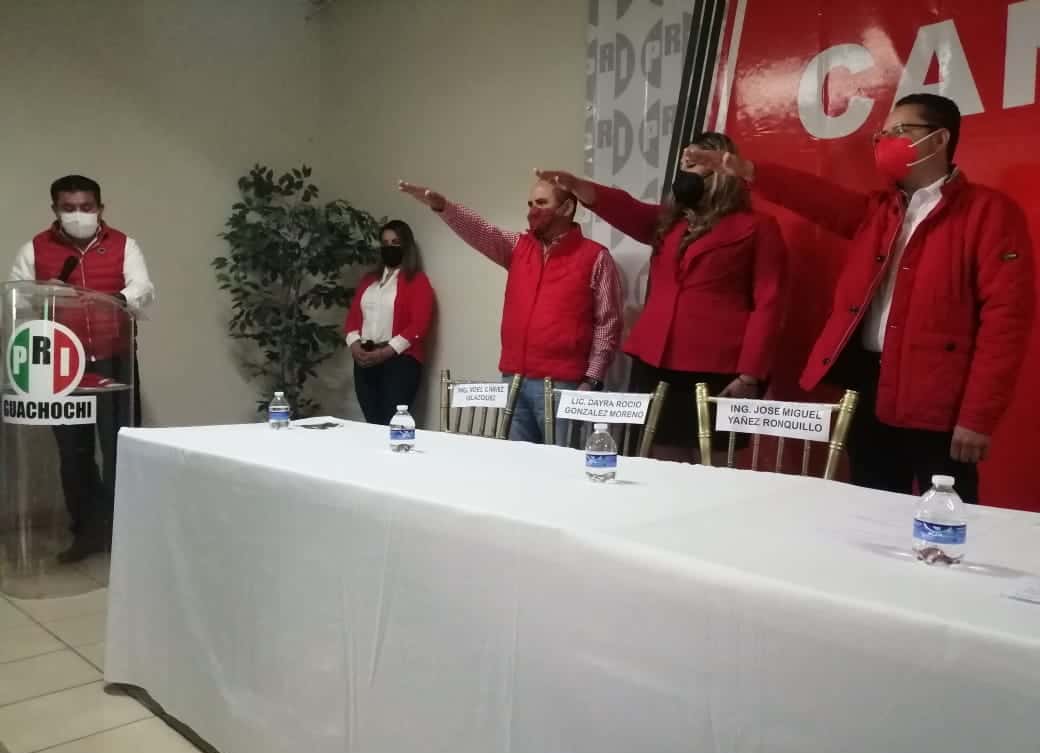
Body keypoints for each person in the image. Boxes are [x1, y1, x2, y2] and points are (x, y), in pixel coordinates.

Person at [685, 94, 1035, 502]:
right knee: (869, 509)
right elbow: (814, 197)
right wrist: (747, 171)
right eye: (882, 134)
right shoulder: (880, 211)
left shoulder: (989, 213)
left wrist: (977, 417)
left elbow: (1005, 323)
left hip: (940, 399)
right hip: (868, 387)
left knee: (946, 519)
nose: (885, 142)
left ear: (939, 140)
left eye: (900, 131)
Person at [537, 131, 788, 461]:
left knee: (714, 468)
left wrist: (750, 375)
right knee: (660, 462)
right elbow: (626, 208)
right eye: (683, 165)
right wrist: (577, 186)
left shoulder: (758, 227)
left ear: (722, 171)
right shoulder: (669, 223)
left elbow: (769, 303)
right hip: (656, 362)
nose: (684, 173)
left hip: (719, 369)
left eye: (694, 164)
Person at [398, 177, 623, 444]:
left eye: (541, 203)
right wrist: (443, 207)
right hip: (513, 380)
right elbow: (482, 232)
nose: (532, 211)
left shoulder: (595, 257)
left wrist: (592, 379)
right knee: (517, 463)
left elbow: (608, 323)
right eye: (530, 204)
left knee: (562, 465)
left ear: (566, 208)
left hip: (563, 385)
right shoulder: (518, 246)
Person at [10, 174, 155, 562]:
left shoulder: (124, 245)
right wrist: (42, 294)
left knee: (122, 448)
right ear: (55, 209)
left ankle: (126, 531)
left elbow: (141, 290)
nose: (78, 214)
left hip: (115, 361)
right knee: (74, 454)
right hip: (61, 365)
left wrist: (113, 297)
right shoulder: (34, 249)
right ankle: (88, 531)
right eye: (69, 207)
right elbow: (18, 303)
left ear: (100, 208)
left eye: (86, 207)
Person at [344, 219, 435, 425]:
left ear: (406, 246)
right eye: (385, 243)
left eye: (395, 243)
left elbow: (419, 325)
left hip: (399, 362)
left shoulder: (417, 281)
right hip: (365, 359)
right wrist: (355, 345)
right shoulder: (369, 280)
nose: (389, 248)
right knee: (373, 423)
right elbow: (353, 318)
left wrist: (385, 352)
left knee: (392, 423)